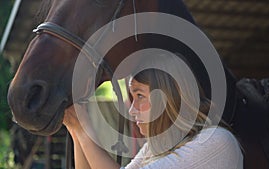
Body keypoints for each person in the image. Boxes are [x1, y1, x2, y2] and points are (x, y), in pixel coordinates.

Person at [63, 53, 243, 169]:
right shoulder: (155, 148)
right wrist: (75, 128)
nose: (132, 111)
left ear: (168, 97)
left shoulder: (215, 141)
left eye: (140, 96)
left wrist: (83, 128)